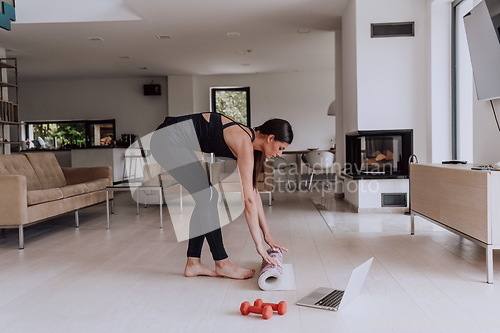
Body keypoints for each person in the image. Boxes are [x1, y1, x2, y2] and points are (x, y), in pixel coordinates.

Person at [150, 112, 293, 279]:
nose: (280, 154)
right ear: (270, 138)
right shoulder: (244, 141)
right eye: (281, 148)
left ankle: (193, 263)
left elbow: (253, 193)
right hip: (166, 140)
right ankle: (222, 263)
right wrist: (259, 245)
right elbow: (247, 202)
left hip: (172, 141)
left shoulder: (250, 146)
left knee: (206, 198)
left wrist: (267, 234)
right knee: (208, 197)